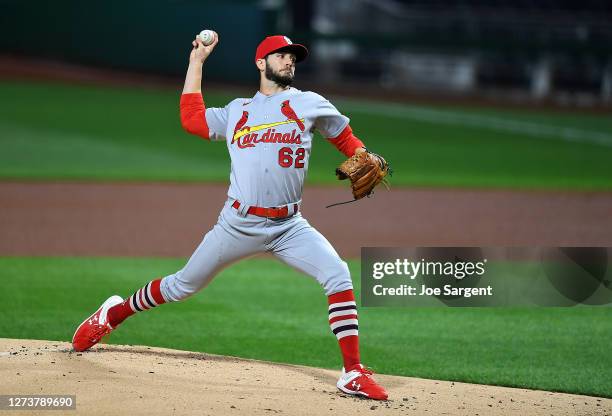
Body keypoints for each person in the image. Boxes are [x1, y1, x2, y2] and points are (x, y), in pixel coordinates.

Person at [72, 32, 388, 401]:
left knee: (337, 273)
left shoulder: (310, 103)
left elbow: (345, 138)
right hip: (238, 224)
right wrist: (196, 62)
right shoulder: (238, 111)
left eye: (293, 57)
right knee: (182, 286)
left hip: (289, 226)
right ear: (261, 63)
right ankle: (113, 314)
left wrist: (365, 154)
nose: (290, 61)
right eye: (281, 55)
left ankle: (352, 373)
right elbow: (191, 119)